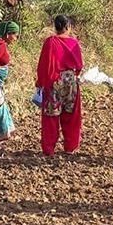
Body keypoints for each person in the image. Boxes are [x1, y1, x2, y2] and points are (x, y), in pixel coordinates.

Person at [37, 14, 84, 156]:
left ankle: (49, 149)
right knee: (71, 115)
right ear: (68, 26)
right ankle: (71, 146)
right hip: (70, 81)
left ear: (55, 27)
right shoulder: (74, 43)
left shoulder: (50, 42)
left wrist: (40, 82)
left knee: (51, 116)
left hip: (54, 81)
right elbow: (79, 66)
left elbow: (43, 65)